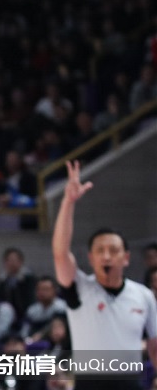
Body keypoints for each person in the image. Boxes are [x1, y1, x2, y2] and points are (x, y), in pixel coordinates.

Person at [51, 160, 157, 389]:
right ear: (90, 258)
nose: (106, 256)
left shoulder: (144, 295)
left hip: (130, 382)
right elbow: (60, 253)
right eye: (100, 251)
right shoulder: (78, 287)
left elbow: (154, 345)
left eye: (113, 250)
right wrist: (68, 202)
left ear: (126, 257)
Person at [19, 276, 66, 343]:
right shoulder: (32, 310)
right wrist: (24, 339)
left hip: (54, 341)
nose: (42, 292)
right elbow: (25, 328)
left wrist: (41, 335)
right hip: (33, 340)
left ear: (55, 290)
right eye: (39, 289)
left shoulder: (62, 307)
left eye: (46, 289)